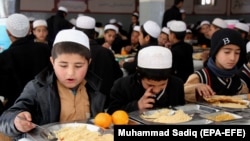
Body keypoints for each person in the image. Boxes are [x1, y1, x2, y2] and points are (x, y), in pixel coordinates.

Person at [0, 29, 106, 139]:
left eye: (78, 66)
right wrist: (15, 121)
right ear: (52, 62)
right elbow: (5, 120)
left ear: (88, 63)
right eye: (63, 65)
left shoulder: (95, 88)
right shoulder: (38, 88)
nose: (70, 73)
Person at [107, 46, 185, 114]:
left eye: (162, 85)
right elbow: (112, 114)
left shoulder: (177, 85)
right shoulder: (122, 86)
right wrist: (136, 106)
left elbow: (181, 112)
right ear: (139, 74)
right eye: (150, 85)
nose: (156, 90)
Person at [0, 13, 51, 112]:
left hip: (15, 110)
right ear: (29, 30)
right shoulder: (45, 49)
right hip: (45, 107)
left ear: (7, 32)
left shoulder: (4, 57)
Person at [184, 28, 249, 102]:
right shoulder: (201, 77)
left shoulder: (236, 80)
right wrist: (195, 87)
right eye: (227, 52)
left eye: (237, 53)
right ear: (215, 52)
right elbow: (181, 93)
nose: (232, 58)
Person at [75, 15, 123, 108]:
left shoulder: (74, 53)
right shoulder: (106, 52)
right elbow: (119, 74)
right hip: (105, 103)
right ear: (94, 34)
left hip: (81, 104)